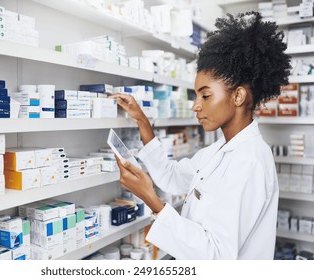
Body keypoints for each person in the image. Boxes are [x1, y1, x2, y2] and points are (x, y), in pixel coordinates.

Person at [112, 12, 291, 260]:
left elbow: (216, 255)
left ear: (238, 96)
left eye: (205, 96)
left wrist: (151, 200)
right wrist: (141, 119)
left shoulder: (249, 161)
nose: (196, 106)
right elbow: (171, 176)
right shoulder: (218, 151)